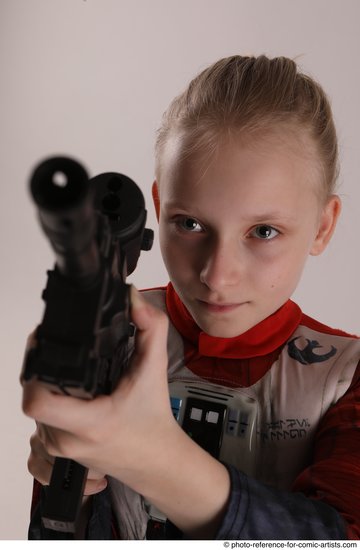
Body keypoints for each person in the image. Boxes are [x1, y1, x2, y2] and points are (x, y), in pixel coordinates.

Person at [22, 55, 360, 540]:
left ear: (323, 225)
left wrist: (153, 459)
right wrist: (69, 493)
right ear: (158, 209)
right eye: (191, 224)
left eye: (263, 231)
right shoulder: (111, 335)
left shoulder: (345, 377)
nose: (216, 275)